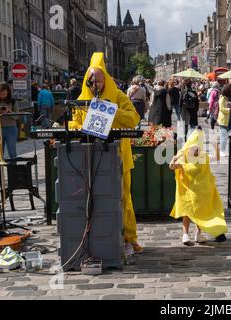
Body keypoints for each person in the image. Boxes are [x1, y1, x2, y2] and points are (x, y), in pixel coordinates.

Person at [68, 52, 142, 257]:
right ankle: (98, 239)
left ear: (106, 79)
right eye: (91, 82)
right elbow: (75, 124)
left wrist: (112, 110)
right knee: (95, 199)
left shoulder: (119, 95)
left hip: (118, 156)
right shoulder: (82, 99)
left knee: (123, 198)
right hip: (90, 159)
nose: (95, 85)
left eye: (99, 81)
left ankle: (129, 238)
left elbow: (134, 119)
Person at [169, 128, 227, 245]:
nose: (195, 150)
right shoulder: (183, 158)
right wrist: (174, 158)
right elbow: (172, 167)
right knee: (187, 213)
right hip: (188, 192)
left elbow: (217, 157)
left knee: (200, 213)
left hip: (202, 192)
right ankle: (185, 234)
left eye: (198, 148)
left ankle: (198, 234)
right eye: (193, 147)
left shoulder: (203, 157)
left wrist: (215, 144)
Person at [0, 82, 19, 159]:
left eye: (4, 94)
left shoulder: (12, 101)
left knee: (12, 152)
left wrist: (9, 111)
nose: (2, 96)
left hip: (11, 128)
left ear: (8, 92)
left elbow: (17, 116)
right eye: (0, 94)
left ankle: (13, 170)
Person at [217, 84, 231, 157]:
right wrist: (230, 109)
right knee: (224, 136)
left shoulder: (230, 98)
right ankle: (222, 151)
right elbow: (221, 109)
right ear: (228, 89)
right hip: (224, 120)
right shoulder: (223, 98)